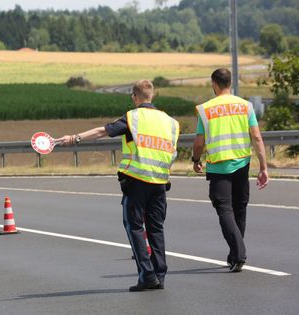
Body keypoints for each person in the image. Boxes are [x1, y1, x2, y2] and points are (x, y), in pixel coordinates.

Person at [58, 79, 179, 292]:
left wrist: (75, 138)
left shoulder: (133, 117)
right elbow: (173, 153)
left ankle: (147, 275)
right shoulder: (170, 122)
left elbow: (102, 131)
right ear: (153, 96)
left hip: (137, 181)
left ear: (134, 96)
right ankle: (160, 275)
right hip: (160, 182)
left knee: (134, 226)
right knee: (156, 229)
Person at [192, 68, 269, 273]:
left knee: (224, 209)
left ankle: (239, 253)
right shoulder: (246, 106)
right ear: (230, 83)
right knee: (240, 209)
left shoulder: (206, 109)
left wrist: (195, 159)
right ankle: (236, 254)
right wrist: (263, 167)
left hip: (219, 166)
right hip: (242, 165)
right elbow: (257, 137)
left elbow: (199, 142)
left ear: (214, 84)